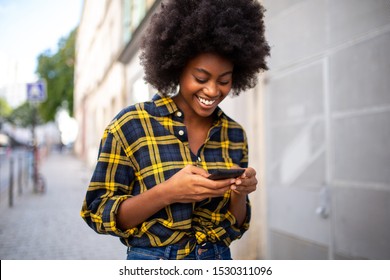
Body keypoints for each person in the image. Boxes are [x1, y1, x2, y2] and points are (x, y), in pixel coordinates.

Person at [81, 0, 270, 260]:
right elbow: (97, 212)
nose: (213, 91)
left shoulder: (233, 133)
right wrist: (167, 193)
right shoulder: (132, 124)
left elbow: (236, 225)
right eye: (201, 78)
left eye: (224, 81)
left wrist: (239, 193)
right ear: (176, 65)